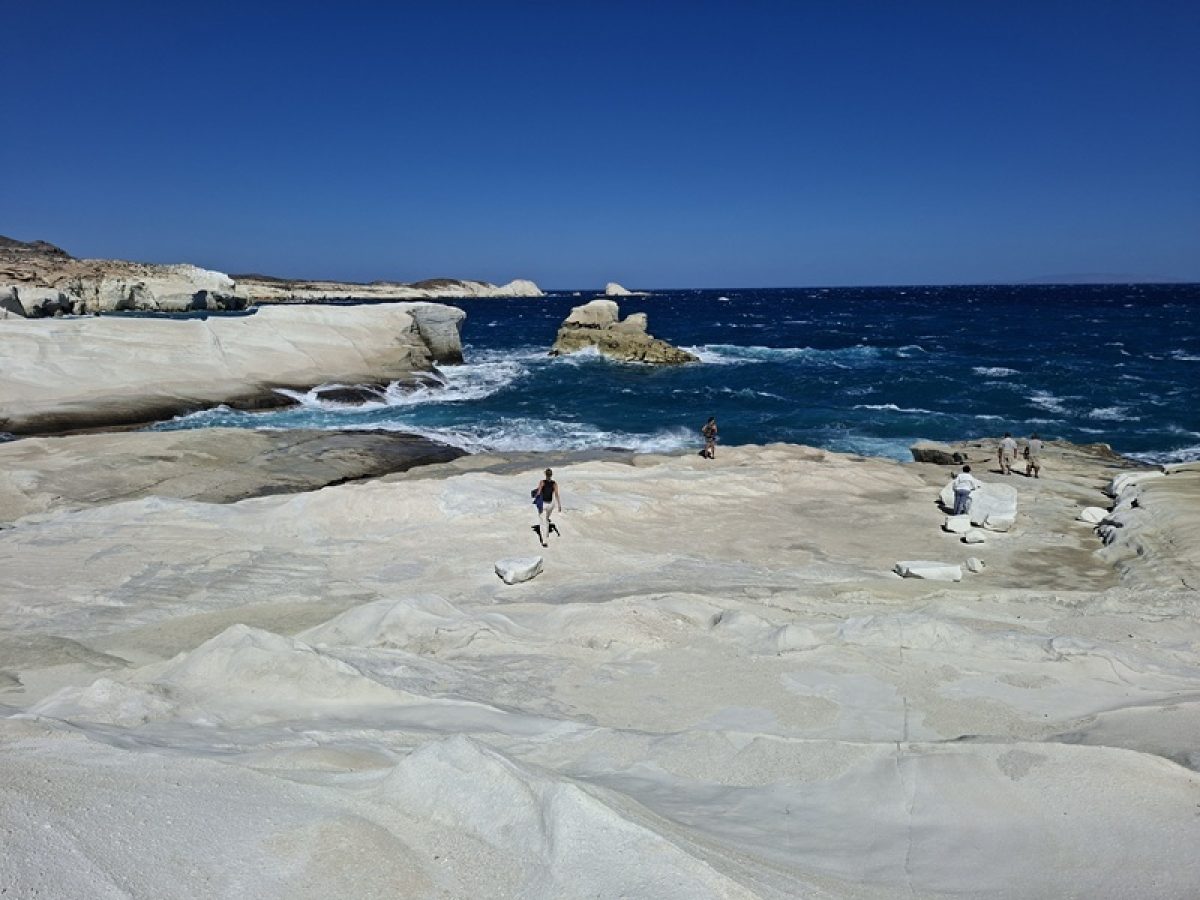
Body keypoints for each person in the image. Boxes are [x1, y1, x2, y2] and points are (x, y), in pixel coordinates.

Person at [532, 468, 561, 547]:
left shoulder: (542, 482)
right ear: (551, 475)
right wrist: (559, 505)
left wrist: (534, 495)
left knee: (542, 522)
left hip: (543, 504)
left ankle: (544, 541)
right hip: (551, 505)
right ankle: (547, 532)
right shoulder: (554, 483)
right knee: (546, 519)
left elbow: (538, 493)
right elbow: (556, 494)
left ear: (545, 474)